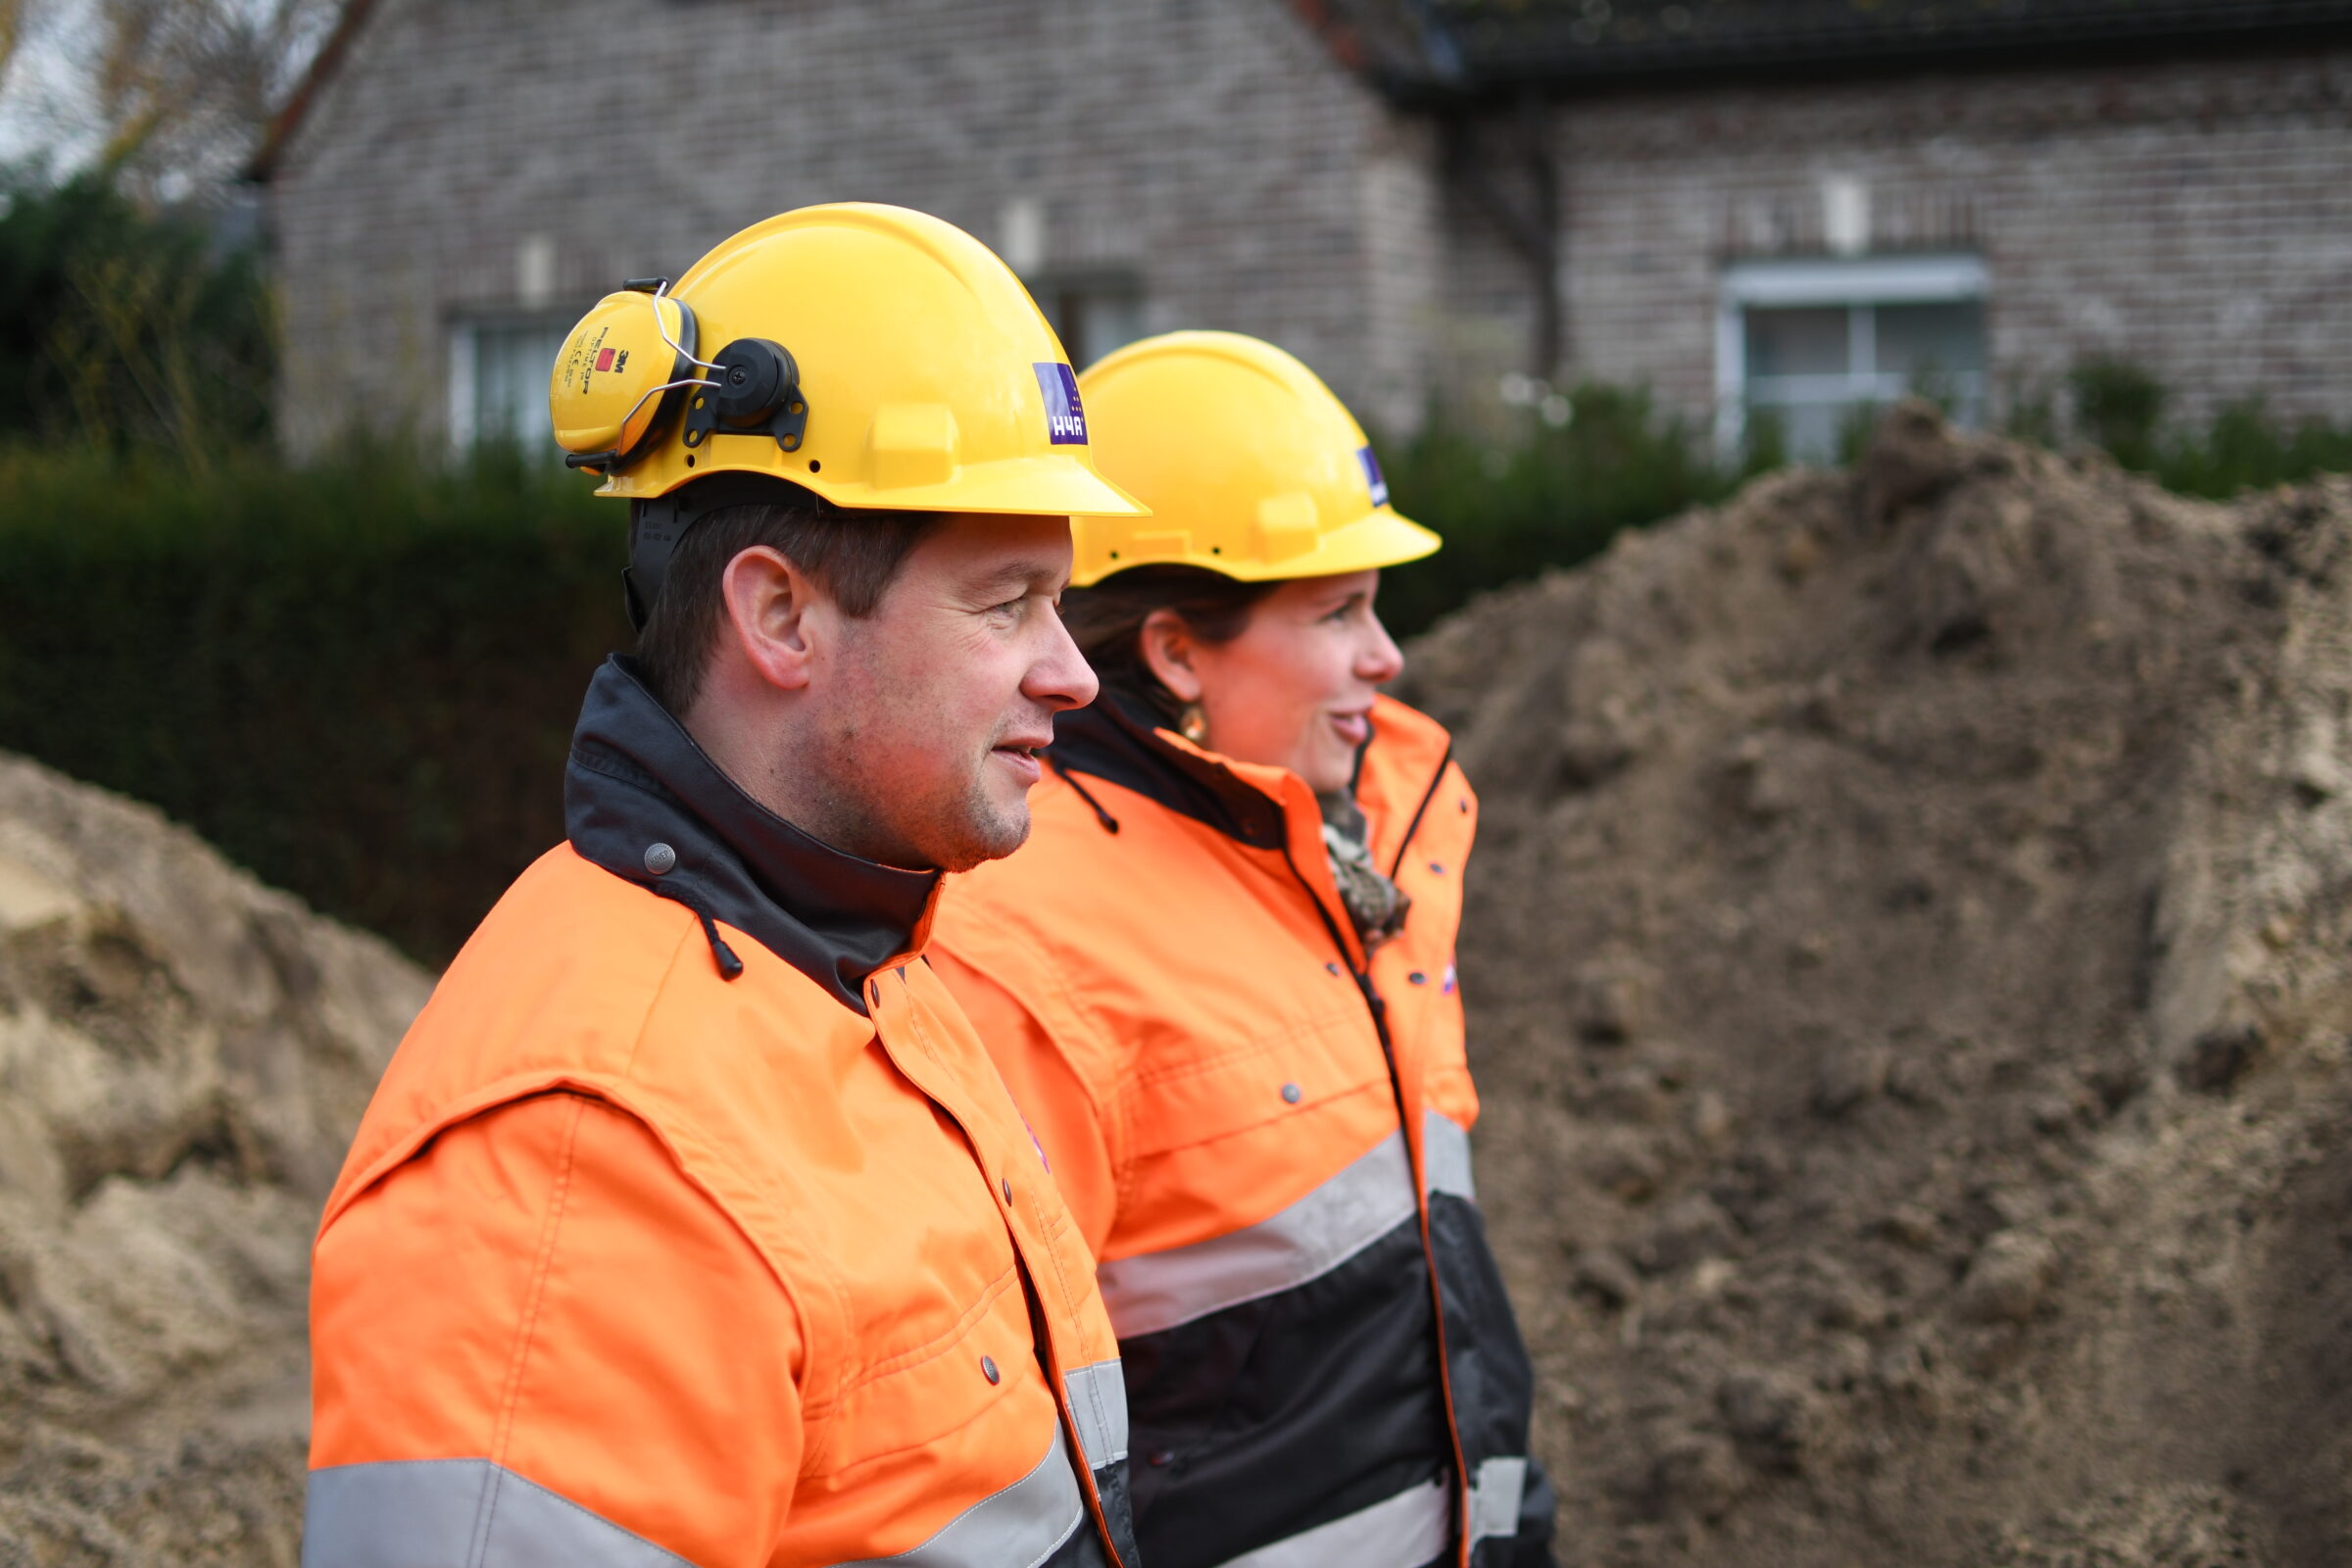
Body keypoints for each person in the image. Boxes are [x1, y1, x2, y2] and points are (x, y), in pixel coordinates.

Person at [301, 205, 1149, 1568]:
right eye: (1006, 605)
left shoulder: (867, 961)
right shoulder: (581, 1161)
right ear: (779, 616)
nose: (1074, 672)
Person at [930, 331, 1558, 1568]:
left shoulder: (1368, 846)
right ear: (1173, 654)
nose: (1386, 658)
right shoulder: (1025, 928)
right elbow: (996, 1415)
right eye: (1337, 613)